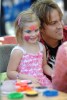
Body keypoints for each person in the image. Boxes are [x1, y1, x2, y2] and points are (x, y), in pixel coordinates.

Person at [7, 9, 52, 88]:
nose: (33, 34)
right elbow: (10, 72)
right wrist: (27, 78)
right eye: (28, 31)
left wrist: (54, 73)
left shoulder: (41, 47)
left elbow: (44, 66)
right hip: (24, 83)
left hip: (41, 81)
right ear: (20, 32)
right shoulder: (19, 51)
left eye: (36, 30)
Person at [31, 0, 66, 80]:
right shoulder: (34, 47)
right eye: (53, 23)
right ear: (40, 27)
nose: (60, 26)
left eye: (60, 20)